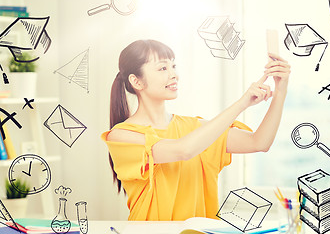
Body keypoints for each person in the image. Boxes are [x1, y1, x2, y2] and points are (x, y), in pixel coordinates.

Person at [101, 39, 291, 221]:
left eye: (173, 66)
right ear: (137, 82)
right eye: (162, 68)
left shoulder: (195, 128)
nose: (174, 74)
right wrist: (242, 103)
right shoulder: (121, 136)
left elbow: (259, 142)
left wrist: (280, 89)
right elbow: (183, 150)